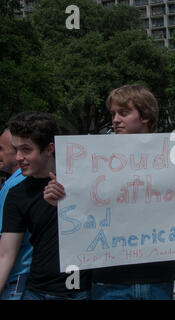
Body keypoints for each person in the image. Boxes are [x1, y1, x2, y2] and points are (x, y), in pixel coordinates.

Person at [44, 84, 175, 300]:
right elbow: (83, 211)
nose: (115, 119)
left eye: (123, 113)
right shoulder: (92, 161)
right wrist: (59, 200)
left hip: (158, 278)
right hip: (108, 280)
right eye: (113, 113)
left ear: (145, 116)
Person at [0, 112, 91, 300]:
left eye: (26, 150)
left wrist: (68, 205)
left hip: (82, 291)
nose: (18, 157)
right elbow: (5, 254)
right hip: (37, 291)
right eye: (16, 149)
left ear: (49, 148)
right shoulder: (17, 194)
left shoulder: (84, 182)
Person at [0, 127, 32, 300]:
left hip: (15, 277)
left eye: (1, 149)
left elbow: (4, 243)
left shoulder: (14, 187)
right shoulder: (33, 179)